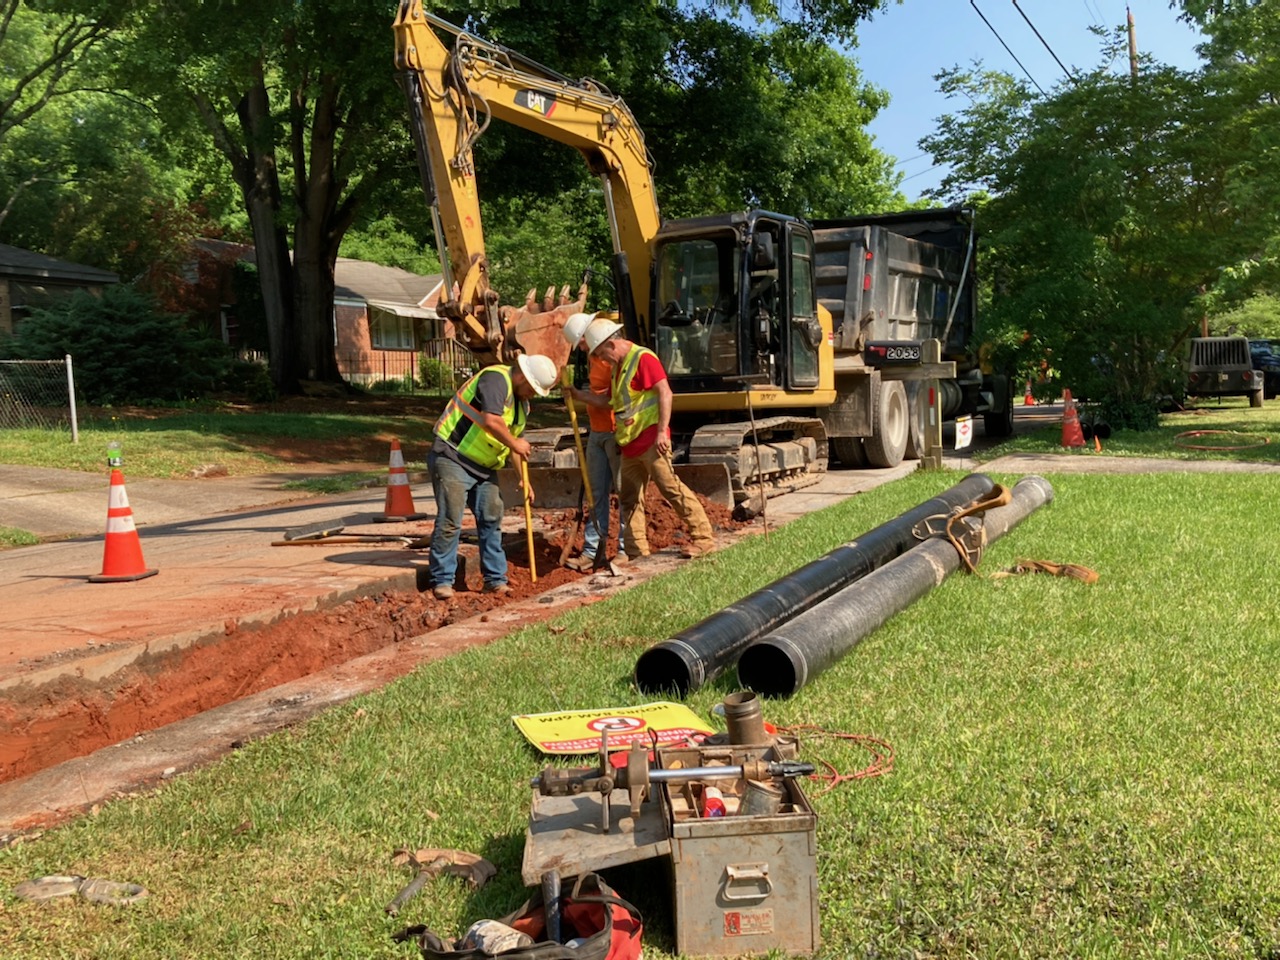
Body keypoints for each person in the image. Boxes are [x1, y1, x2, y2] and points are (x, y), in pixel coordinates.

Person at [569, 319, 715, 561]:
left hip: (651, 441)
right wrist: (578, 395)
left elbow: (665, 392)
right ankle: (636, 551)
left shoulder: (643, 358)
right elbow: (608, 402)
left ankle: (703, 538)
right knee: (629, 499)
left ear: (612, 344)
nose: (602, 359)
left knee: (671, 488)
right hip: (630, 445)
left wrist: (662, 431)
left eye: (602, 354)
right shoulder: (617, 369)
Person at [427, 353, 559, 600]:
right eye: (532, 389)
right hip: (453, 456)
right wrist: (516, 443)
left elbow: (514, 445)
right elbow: (491, 421)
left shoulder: (522, 406)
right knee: (451, 520)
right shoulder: (495, 380)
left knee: (491, 519)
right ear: (523, 377)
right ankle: (442, 580)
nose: (532, 395)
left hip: (484, 468)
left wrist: (523, 478)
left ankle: (495, 580)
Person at [560, 312, 624, 571]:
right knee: (595, 493)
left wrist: (579, 395)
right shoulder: (594, 357)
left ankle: (625, 549)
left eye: (583, 342)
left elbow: (611, 400)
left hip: (615, 432)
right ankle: (592, 551)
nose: (582, 348)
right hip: (597, 432)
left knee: (623, 493)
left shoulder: (613, 358)